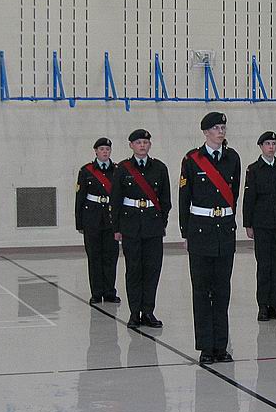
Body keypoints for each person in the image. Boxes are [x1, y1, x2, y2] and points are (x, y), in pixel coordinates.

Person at [179, 112, 241, 364]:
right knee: (202, 291)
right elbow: (184, 198)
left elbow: (234, 194)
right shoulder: (192, 160)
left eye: (223, 127)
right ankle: (206, 346)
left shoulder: (232, 158)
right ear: (205, 132)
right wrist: (186, 232)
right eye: (216, 128)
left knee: (222, 291)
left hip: (224, 231)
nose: (221, 132)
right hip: (201, 231)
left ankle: (221, 346)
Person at [110, 129, 171, 328]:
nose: (142, 145)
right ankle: (135, 312)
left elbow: (165, 200)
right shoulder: (123, 169)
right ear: (131, 146)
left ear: (150, 145)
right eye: (138, 142)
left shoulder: (159, 168)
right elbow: (115, 200)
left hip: (153, 226)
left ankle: (148, 311)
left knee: (152, 270)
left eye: (145, 142)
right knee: (134, 270)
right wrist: (117, 227)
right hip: (131, 226)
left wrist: (161, 223)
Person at [243, 131, 276, 322]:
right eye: (268, 144)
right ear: (261, 147)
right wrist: (248, 224)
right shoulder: (254, 169)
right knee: (264, 265)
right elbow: (249, 198)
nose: (271, 147)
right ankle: (263, 306)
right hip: (261, 223)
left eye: (274, 143)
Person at [75, 137, 120, 305]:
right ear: (95, 151)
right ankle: (96, 292)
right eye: (102, 149)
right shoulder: (86, 171)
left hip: (110, 218)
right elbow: (80, 197)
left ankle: (109, 292)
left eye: (107, 149)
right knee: (94, 256)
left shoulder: (117, 170)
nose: (105, 152)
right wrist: (79, 222)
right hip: (92, 218)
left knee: (111, 256)